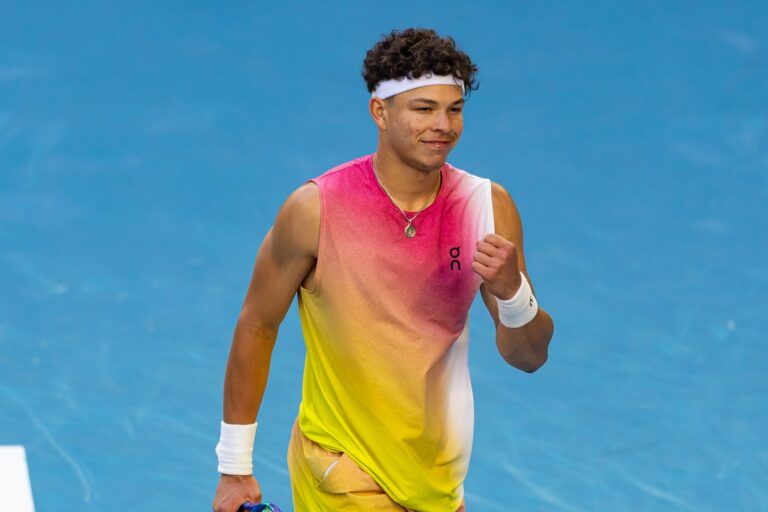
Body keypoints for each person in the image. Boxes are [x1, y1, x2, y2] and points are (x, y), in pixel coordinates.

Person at [212, 27, 555, 512]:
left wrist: (514, 291)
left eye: (453, 109)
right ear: (380, 111)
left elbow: (529, 357)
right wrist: (234, 466)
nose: (443, 125)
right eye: (423, 109)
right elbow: (257, 324)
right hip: (339, 465)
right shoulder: (315, 209)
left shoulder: (487, 208)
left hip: (435, 482)